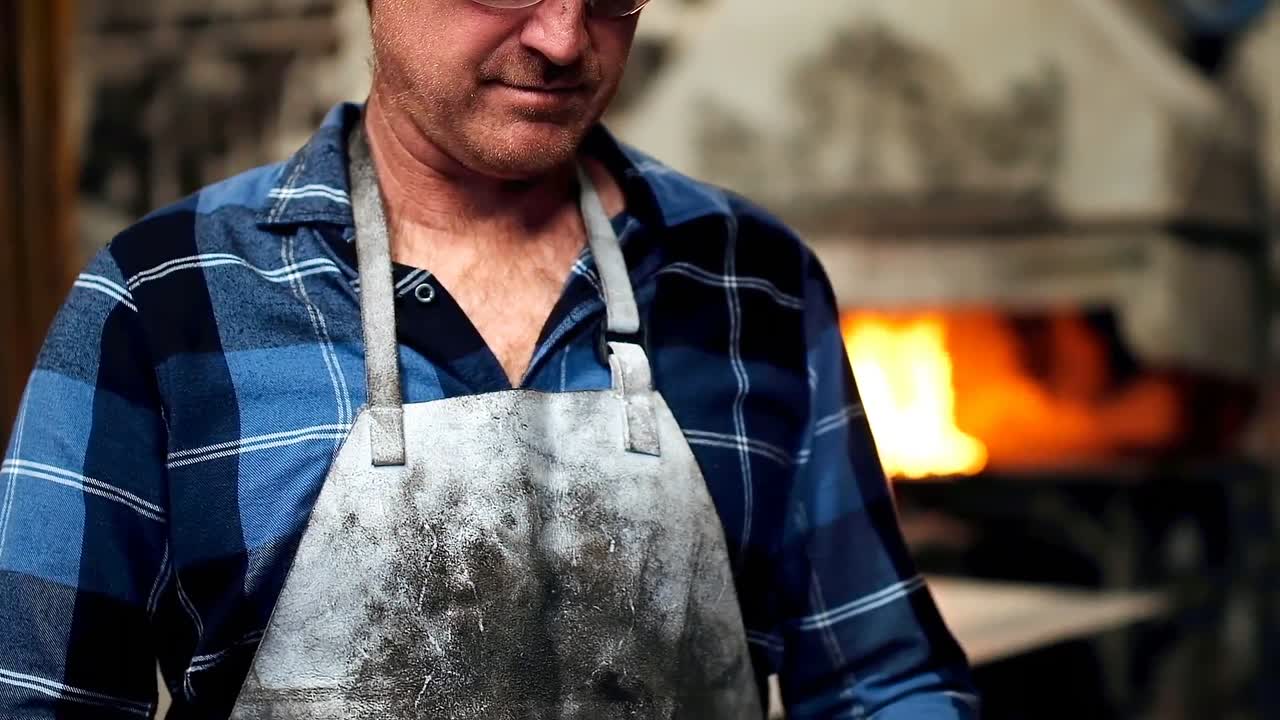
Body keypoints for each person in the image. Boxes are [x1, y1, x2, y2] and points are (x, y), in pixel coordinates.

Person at [0, 0, 977, 717]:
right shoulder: (169, 298)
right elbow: (38, 698)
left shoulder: (750, 286)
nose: (561, 39)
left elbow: (880, 684)